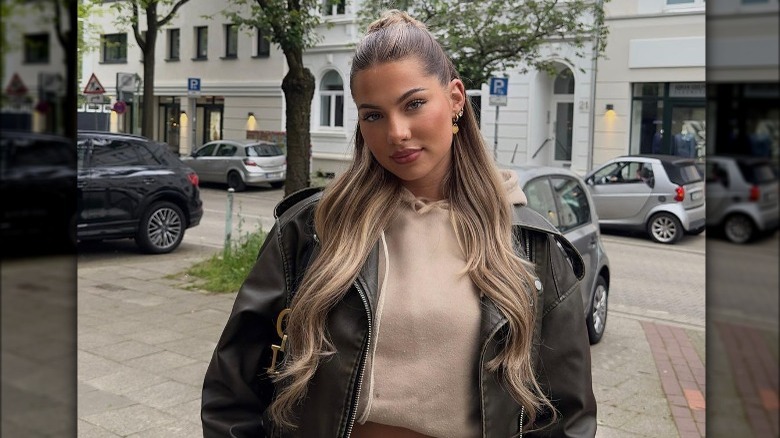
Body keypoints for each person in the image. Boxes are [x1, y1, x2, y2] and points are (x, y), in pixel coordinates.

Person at [202, 10, 596, 438]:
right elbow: (233, 391)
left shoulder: (531, 246)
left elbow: (567, 418)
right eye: (373, 115)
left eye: (414, 104)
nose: (397, 132)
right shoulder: (314, 230)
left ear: (456, 99)